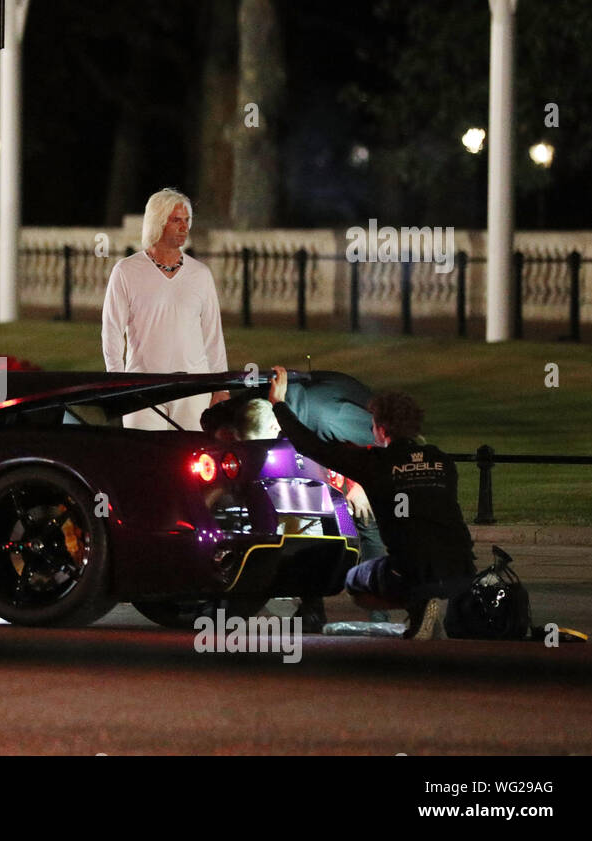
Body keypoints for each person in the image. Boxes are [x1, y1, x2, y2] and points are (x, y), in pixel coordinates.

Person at [266, 366, 475, 639]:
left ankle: (419, 600)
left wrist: (278, 404)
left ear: (380, 428)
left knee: (356, 582)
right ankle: (427, 607)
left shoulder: (375, 463)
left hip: (413, 571)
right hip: (462, 570)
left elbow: (310, 447)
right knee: (427, 556)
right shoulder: (442, 461)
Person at [203, 371, 387, 627]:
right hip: (303, 436)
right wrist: (221, 433)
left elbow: (383, 442)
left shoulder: (332, 417)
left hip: (351, 440)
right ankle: (312, 609)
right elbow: (211, 417)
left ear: (274, 427)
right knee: (303, 515)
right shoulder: (247, 407)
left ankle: (380, 614)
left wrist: (360, 484)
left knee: (367, 518)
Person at [102, 187, 228, 430]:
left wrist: (220, 387)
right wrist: (117, 383)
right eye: (176, 220)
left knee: (192, 461)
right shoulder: (126, 271)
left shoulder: (200, 274)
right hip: (143, 389)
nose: (184, 227)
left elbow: (213, 336)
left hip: (194, 388)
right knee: (145, 460)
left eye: (187, 220)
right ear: (158, 222)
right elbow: (112, 332)